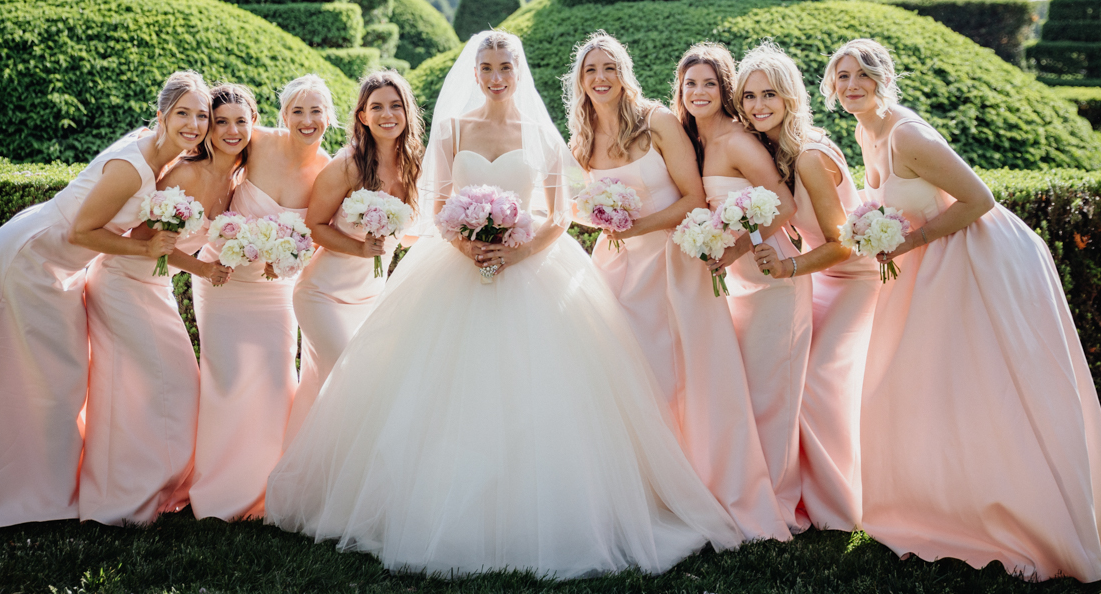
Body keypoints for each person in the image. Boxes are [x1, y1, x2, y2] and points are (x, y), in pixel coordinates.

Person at [266, 30, 744, 578]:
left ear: (519, 72)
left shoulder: (542, 134)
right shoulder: (451, 129)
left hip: (532, 266)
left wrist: (516, 254)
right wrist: (464, 241)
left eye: (505, 68)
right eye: (487, 68)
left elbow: (561, 215)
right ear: (476, 74)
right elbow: (437, 204)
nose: (496, 78)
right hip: (455, 268)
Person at [826, 38, 1101, 582]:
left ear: (882, 78)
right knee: (924, 384)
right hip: (932, 261)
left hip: (981, 258)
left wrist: (907, 241)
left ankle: (1035, 520)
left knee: (992, 386)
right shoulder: (862, 129)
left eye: (862, 75)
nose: (851, 86)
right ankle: (941, 505)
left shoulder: (907, 135)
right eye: (841, 77)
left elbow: (980, 199)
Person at [0, 71, 211, 528]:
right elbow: (83, 230)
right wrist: (145, 248)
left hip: (60, 268)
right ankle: (4, 492)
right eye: (184, 113)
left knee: (54, 381)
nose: (195, 124)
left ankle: (46, 490)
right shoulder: (135, 166)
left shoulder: (157, 155)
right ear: (161, 116)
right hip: (32, 259)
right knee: (38, 380)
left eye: (201, 115)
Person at [563, 30, 788, 541]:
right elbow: (580, 205)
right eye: (591, 70)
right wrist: (597, 217)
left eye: (610, 68)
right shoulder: (580, 140)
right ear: (579, 80)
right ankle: (642, 489)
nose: (600, 78)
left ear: (625, 74)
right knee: (626, 380)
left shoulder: (658, 120)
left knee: (687, 377)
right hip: (615, 271)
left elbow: (693, 198)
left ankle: (706, 483)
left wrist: (633, 226)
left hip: (672, 262)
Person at [79, 83, 250, 524]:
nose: (227, 130)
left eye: (238, 122)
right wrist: (203, 271)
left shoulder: (233, 180)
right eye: (217, 122)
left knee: (170, 386)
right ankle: (121, 498)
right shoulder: (183, 174)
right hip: (121, 282)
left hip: (154, 288)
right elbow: (144, 240)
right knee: (152, 385)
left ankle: (157, 484)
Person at [732, 42, 880, 531]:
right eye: (749, 96)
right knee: (792, 376)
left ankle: (840, 506)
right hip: (819, 276)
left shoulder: (811, 156)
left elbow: (845, 244)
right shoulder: (771, 150)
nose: (757, 106)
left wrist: (791, 269)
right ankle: (806, 493)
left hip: (851, 278)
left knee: (815, 380)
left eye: (768, 94)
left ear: (790, 97)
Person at [674, 42, 812, 530]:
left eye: (710, 83)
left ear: (724, 89)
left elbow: (786, 206)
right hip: (737, 285)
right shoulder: (695, 143)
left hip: (772, 279)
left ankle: (774, 502)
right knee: (745, 393)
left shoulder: (736, 140)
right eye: (691, 83)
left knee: (772, 395)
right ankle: (740, 487)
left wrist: (732, 251)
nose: (699, 92)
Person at [189, 75, 334, 521]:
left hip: (275, 292)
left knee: (274, 382)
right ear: (282, 115)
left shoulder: (329, 168)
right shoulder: (256, 142)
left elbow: (319, 233)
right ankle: (217, 491)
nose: (306, 121)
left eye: (315, 112)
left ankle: (266, 490)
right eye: (297, 111)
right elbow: (203, 154)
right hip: (223, 282)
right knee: (227, 381)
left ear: (328, 117)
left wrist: (290, 256)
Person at [284, 71, 424, 447]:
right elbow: (315, 226)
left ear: (407, 113)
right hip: (322, 295)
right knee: (349, 378)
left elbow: (410, 231)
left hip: (371, 296)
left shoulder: (415, 166)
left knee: (325, 385)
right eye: (376, 106)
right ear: (363, 116)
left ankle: (308, 478)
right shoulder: (348, 165)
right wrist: (361, 248)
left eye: (396, 105)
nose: (387, 114)